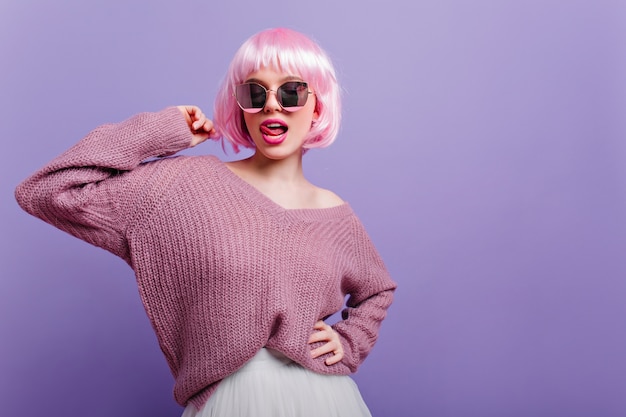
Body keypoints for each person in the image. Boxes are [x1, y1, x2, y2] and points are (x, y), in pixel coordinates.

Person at [15, 27, 396, 417]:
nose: (271, 106)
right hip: (231, 401)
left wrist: (349, 342)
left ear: (317, 105)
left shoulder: (335, 214)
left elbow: (378, 289)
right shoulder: (184, 186)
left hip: (326, 401)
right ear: (240, 105)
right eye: (254, 93)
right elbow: (48, 190)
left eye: (291, 91)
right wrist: (162, 131)